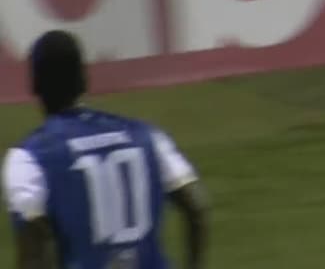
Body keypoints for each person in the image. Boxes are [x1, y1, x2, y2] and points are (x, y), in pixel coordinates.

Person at [2, 30, 209, 269]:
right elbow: (196, 205)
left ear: (35, 86)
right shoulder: (146, 135)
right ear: (84, 79)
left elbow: (32, 256)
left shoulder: (29, 157)